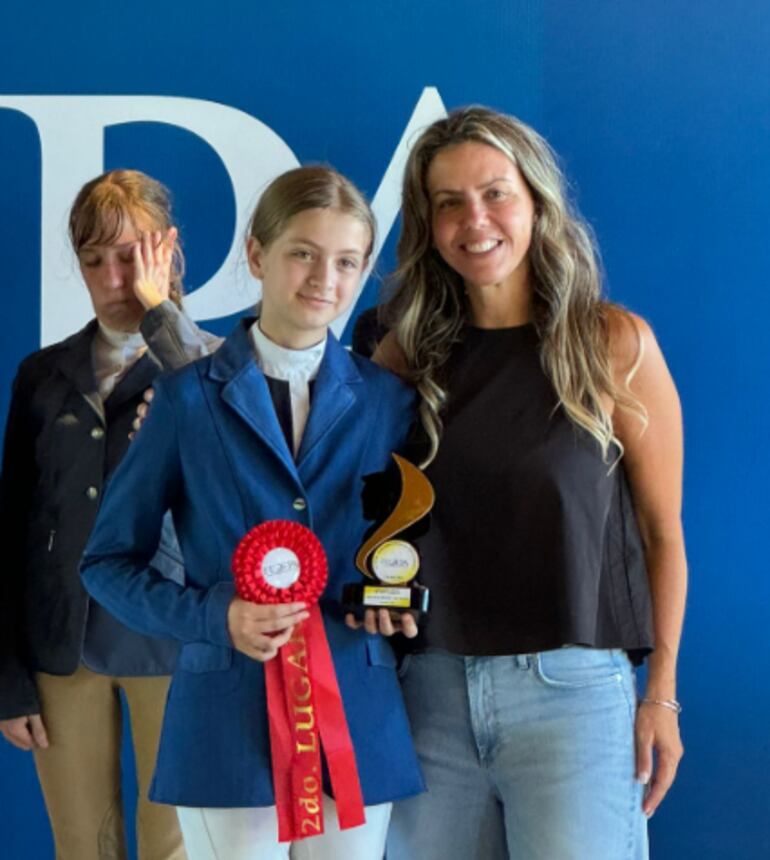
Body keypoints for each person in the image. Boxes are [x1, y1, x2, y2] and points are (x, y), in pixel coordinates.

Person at [358, 107, 687, 860]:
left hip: (572, 699)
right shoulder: (403, 356)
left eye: (495, 192)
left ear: (537, 201)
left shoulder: (613, 344)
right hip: (429, 698)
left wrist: (661, 694)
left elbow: (663, 535)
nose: (475, 220)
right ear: (430, 224)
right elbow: (336, 490)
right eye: (449, 203)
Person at [79, 166, 424, 860]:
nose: (325, 278)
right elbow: (107, 563)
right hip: (223, 722)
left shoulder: (392, 404)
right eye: (303, 252)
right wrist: (215, 615)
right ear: (258, 255)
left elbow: (413, 548)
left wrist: (401, 600)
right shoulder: (183, 400)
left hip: (355, 716)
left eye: (348, 261)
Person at [0, 169, 219, 859]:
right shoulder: (43, 373)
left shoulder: (210, 363)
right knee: (82, 846)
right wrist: (7, 674)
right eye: (95, 260)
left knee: (175, 846)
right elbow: (14, 524)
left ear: (168, 250)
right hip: (62, 647)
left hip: (174, 642)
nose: (113, 277)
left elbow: (227, 458)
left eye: (130, 255)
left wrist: (164, 322)